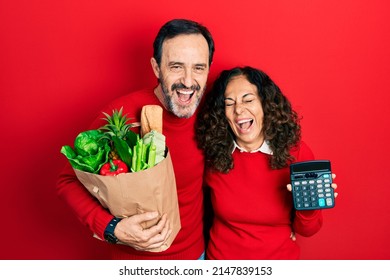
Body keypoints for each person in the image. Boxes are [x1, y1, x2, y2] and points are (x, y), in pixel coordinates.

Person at [57, 18, 215, 259]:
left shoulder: (211, 117)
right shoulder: (119, 116)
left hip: (195, 258)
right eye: (176, 66)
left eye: (198, 67)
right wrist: (112, 228)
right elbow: (67, 181)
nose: (188, 80)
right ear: (156, 67)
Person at [196, 66, 338, 259]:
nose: (238, 109)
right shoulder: (213, 154)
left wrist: (310, 207)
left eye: (248, 100)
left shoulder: (296, 153)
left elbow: (308, 230)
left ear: (266, 104)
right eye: (229, 103)